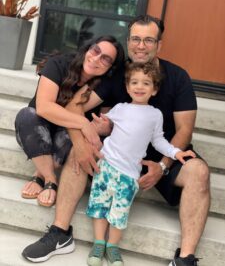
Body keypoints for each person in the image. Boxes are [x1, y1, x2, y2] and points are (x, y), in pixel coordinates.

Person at [22, 15, 210, 266]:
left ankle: (185, 258)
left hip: (162, 154)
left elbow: (184, 130)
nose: (140, 45)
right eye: (135, 39)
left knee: (199, 171)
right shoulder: (115, 74)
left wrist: (163, 165)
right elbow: (76, 106)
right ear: (129, 41)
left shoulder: (177, 77)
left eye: (148, 40)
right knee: (81, 152)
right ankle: (60, 233)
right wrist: (79, 143)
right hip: (115, 157)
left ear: (159, 45)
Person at [86, 61, 196, 266]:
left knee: (120, 210)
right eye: (134, 82)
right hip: (106, 165)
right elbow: (102, 124)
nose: (139, 87)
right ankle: (99, 243)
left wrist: (176, 152)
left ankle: (112, 247)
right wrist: (95, 126)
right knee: (100, 205)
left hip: (129, 174)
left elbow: (158, 141)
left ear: (154, 90)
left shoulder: (155, 115)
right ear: (127, 87)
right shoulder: (119, 109)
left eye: (146, 83)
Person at [15, 35, 125, 208]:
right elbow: (43, 107)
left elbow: (105, 119)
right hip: (36, 130)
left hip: (65, 139)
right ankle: (50, 179)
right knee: (27, 114)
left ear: (111, 68)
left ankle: (40, 175)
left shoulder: (105, 84)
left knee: (76, 133)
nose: (96, 59)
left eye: (105, 59)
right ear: (88, 48)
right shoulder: (59, 64)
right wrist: (83, 123)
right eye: (95, 50)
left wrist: (105, 126)